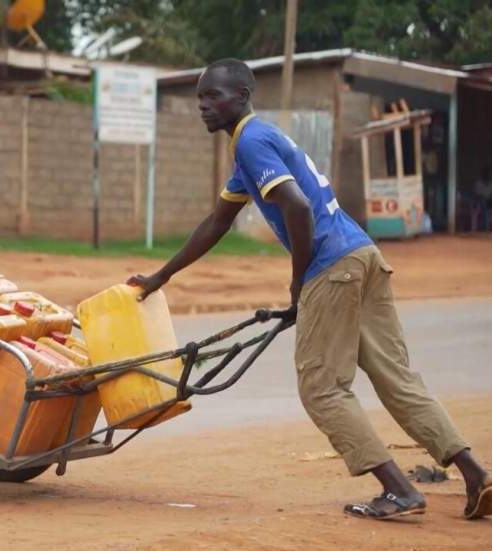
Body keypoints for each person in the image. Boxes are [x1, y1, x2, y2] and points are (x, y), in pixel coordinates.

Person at [128, 59, 490, 521]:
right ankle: (476, 475)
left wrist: (299, 280)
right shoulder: (256, 143)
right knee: (396, 379)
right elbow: (217, 222)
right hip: (363, 254)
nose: (203, 106)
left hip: (330, 265)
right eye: (200, 97)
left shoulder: (253, 143)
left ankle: (399, 489)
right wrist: (163, 275)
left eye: (212, 96)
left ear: (241, 96)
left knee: (321, 389)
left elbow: (297, 207)